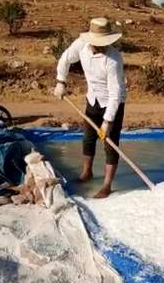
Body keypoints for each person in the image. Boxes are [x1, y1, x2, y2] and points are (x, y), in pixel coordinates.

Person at [54, 17, 127, 199]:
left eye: (102, 44)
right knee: (88, 138)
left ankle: (107, 185)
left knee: (109, 143)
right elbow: (65, 59)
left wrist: (107, 122)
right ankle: (87, 173)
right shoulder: (81, 45)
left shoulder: (113, 60)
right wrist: (60, 81)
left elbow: (115, 94)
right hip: (92, 99)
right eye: (96, 43)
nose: (98, 46)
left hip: (112, 103)